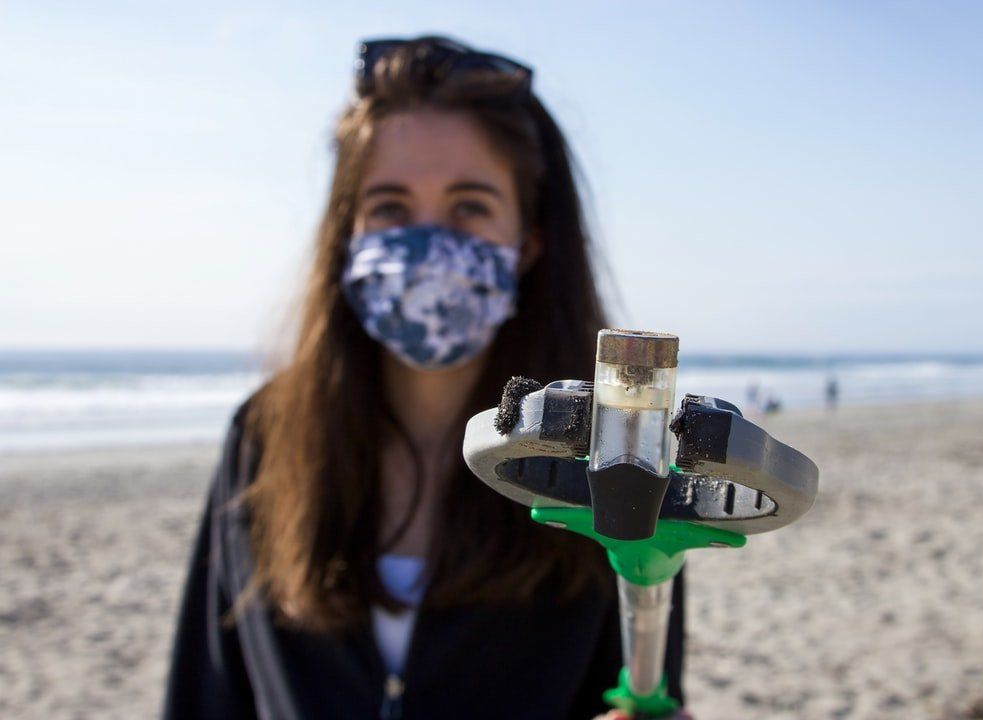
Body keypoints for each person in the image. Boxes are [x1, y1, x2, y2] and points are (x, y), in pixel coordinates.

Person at [163, 36, 686, 719]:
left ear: (528, 243)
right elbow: (205, 695)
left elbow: (644, 689)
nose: (427, 246)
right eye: (389, 208)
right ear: (347, 234)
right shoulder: (264, 436)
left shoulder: (616, 460)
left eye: (470, 207)